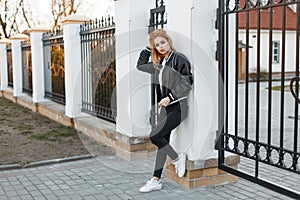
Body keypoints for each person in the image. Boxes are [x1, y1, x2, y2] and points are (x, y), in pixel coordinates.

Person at [136, 29, 193, 193]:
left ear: (169, 41)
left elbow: (188, 82)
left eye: (162, 42)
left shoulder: (179, 59)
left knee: (155, 136)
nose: (160, 46)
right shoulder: (160, 64)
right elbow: (140, 66)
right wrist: (148, 48)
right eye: (156, 45)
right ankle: (156, 180)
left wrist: (170, 97)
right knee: (162, 142)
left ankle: (176, 158)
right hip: (166, 109)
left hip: (178, 107)